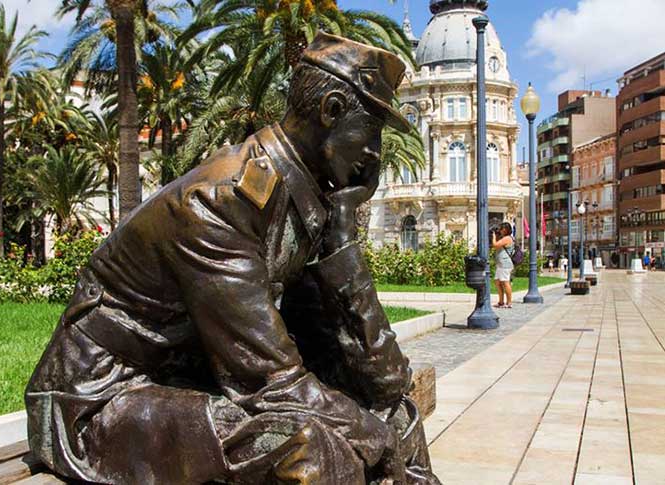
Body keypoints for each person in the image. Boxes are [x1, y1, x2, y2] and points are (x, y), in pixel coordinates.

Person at [25, 33, 439, 485]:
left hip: (190, 379)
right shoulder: (218, 202)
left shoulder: (304, 202)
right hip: (101, 397)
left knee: (394, 414)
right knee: (306, 448)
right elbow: (272, 382)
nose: (374, 153)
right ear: (333, 110)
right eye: (372, 130)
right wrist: (371, 434)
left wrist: (343, 242)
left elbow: (383, 380)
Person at [492, 222, 515, 309]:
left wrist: (494, 237)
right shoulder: (504, 238)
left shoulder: (507, 238)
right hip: (500, 264)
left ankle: (509, 303)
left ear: (505, 230)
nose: (500, 230)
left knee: (505, 282)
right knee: (497, 282)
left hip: (505, 264)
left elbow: (495, 245)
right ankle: (501, 301)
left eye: (501, 229)